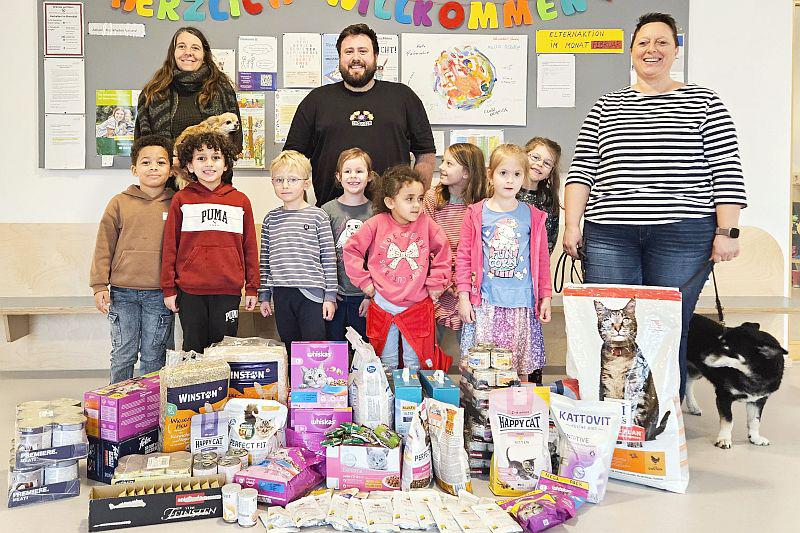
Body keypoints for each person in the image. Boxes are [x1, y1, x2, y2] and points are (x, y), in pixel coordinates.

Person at [562, 12, 747, 397]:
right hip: (610, 233)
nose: (652, 49)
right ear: (631, 52)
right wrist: (572, 225)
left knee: (666, 325)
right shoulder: (605, 105)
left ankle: (663, 414)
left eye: (662, 42)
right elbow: (581, 172)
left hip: (683, 233)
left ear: (676, 51)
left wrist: (727, 231)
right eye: (644, 42)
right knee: (615, 327)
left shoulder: (705, 102)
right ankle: (615, 413)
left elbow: (726, 170)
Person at [284, 23, 436, 207]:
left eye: (363, 51)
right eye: (348, 52)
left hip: (392, 216)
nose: (356, 58)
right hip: (331, 216)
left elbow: (425, 154)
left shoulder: (403, 97)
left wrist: (415, 202)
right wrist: (302, 210)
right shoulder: (316, 101)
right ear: (339, 58)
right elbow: (292, 160)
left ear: (376, 57)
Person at [457, 144, 553, 384]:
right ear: (491, 174)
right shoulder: (476, 213)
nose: (510, 180)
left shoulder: (533, 216)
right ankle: (482, 413)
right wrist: (463, 296)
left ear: (525, 177)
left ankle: (515, 412)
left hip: (521, 304)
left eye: (517, 174)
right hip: (486, 303)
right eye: (503, 173)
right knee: (482, 369)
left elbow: (541, 261)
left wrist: (546, 297)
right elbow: (464, 256)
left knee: (519, 368)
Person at [343, 166, 451, 371]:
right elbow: (351, 250)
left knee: (416, 361)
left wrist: (437, 282)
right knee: (386, 361)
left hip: (417, 304)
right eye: (409, 199)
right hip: (383, 304)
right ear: (390, 201)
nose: (416, 205)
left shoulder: (427, 224)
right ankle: (386, 401)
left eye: (420, 199)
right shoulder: (375, 224)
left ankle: (411, 401)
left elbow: (443, 252)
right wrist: (365, 282)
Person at [161, 131, 258, 353]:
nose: (209, 163)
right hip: (190, 291)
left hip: (228, 290)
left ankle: (221, 390)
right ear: (190, 165)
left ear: (226, 165)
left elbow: (250, 248)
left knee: (223, 350)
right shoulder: (181, 199)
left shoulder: (240, 201)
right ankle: (193, 389)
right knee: (193, 349)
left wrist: (252, 288)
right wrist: (169, 289)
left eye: (216, 157)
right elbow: (170, 247)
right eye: (201, 158)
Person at [90, 135, 175, 383]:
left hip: (159, 295)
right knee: (123, 355)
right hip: (122, 293)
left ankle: (149, 416)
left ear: (171, 169)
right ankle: (118, 412)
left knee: (153, 357)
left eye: (161, 162)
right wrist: (98, 286)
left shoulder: (177, 204)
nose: (153, 168)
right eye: (146, 162)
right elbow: (103, 245)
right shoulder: (119, 203)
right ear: (134, 169)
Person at [259, 151, 338, 354]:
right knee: (289, 345)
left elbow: (329, 259)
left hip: (312, 294)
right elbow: (265, 261)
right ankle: (294, 385)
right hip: (282, 293)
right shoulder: (270, 219)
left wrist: (329, 296)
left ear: (306, 183)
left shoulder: (318, 216)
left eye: (292, 179)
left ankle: (315, 386)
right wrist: (265, 295)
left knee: (314, 346)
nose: (285, 185)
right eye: (279, 180)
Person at [423, 143, 489, 357]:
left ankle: (473, 382)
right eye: (443, 162)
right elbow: (427, 241)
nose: (442, 167)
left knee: (471, 339)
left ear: (467, 173)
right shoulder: (434, 198)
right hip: (439, 277)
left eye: (449, 163)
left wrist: (461, 281)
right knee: (431, 339)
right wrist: (444, 279)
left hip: (469, 278)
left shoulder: (482, 203)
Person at [135, 27, 242, 153]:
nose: (188, 52)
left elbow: (236, 142)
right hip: (167, 171)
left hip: (212, 170)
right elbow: (142, 144)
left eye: (195, 48)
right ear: (173, 53)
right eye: (181, 46)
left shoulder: (222, 89)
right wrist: (171, 161)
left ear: (204, 54)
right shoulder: (154, 92)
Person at [321, 148, 376, 342]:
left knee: (363, 351)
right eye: (347, 171)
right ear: (338, 176)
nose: (353, 176)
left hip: (364, 296)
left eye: (359, 171)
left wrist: (370, 297)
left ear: (369, 176)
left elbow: (378, 258)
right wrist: (327, 293)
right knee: (335, 348)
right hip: (335, 295)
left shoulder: (376, 211)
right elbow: (321, 255)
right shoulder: (326, 211)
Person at [518, 137, 562, 255]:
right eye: (535, 157)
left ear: (550, 173)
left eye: (547, 163)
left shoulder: (548, 200)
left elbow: (550, 240)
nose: (539, 164)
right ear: (523, 157)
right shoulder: (506, 190)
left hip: (534, 267)